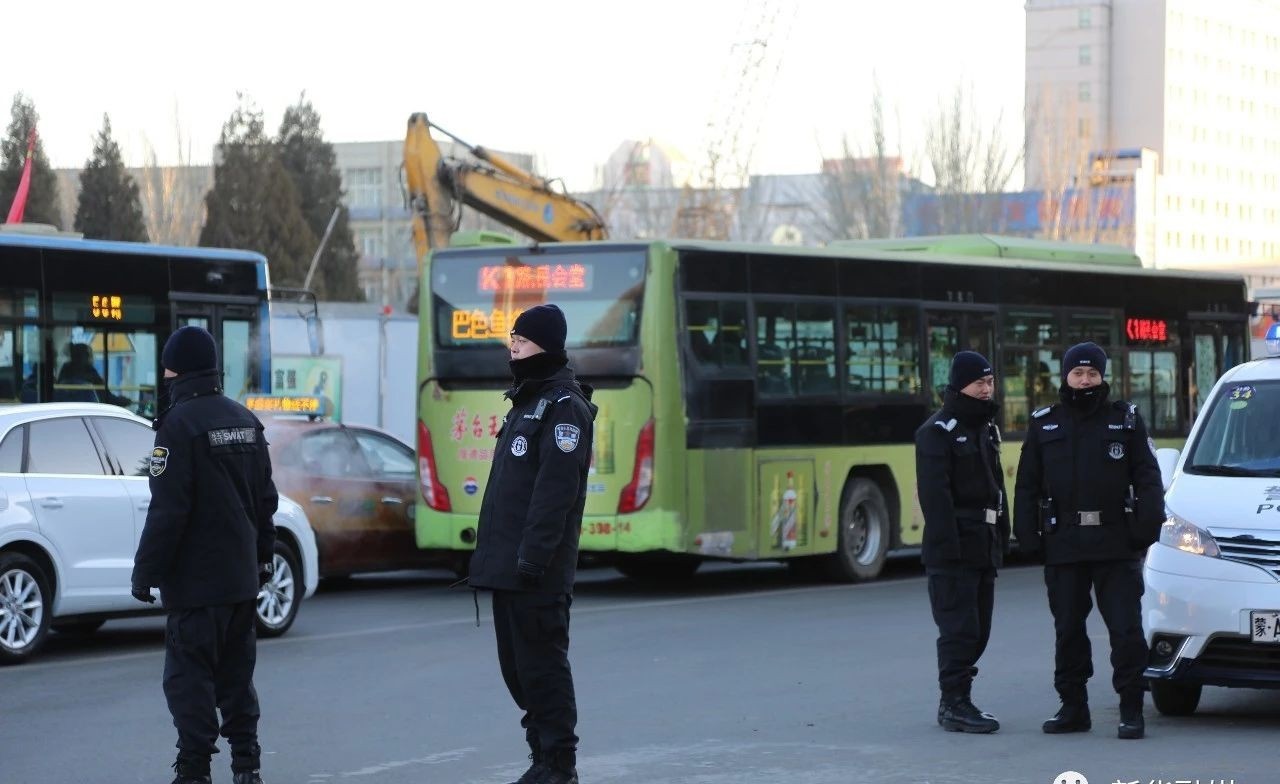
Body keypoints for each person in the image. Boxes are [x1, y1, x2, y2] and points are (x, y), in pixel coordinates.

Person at [131, 325, 278, 784]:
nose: (164, 376)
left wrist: (145, 572)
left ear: (179, 371)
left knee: (189, 681)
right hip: (240, 582)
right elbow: (266, 502)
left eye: (167, 368)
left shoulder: (177, 427)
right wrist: (262, 560)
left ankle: (194, 771)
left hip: (195, 588)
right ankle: (247, 766)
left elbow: (168, 512)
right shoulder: (246, 422)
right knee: (237, 678)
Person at [469, 304, 597, 784]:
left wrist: (533, 558)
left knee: (543, 669)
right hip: (509, 568)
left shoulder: (565, 408)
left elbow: (554, 494)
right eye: (512, 340)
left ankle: (558, 765)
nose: (513, 349)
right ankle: (540, 755)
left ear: (545, 346)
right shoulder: (526, 402)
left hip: (536, 572)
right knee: (518, 671)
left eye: (521, 342)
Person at [1013, 342, 1164, 740]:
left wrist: (1145, 529)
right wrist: (1027, 536)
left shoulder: (1126, 421)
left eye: (1092, 373)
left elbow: (1148, 478)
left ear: (1102, 376)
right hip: (1064, 542)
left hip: (1116, 542)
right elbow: (1027, 484)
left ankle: (1131, 708)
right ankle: (1073, 707)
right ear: (1066, 377)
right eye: (1077, 373)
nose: (1085, 380)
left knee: (1125, 630)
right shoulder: (1044, 423)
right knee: (1068, 630)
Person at [915, 351, 1009, 734]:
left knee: (980, 631)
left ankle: (959, 700)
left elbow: (996, 487)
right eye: (978, 383)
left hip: (983, 546)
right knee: (960, 631)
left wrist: (1003, 537)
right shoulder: (936, 432)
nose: (986, 389)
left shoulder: (985, 429)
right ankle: (953, 703)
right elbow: (935, 500)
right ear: (959, 386)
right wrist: (950, 553)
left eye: (990, 382)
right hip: (954, 550)